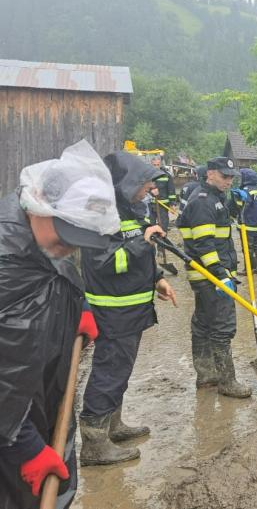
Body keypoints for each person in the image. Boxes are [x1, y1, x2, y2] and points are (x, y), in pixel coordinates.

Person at [0, 140, 120, 508]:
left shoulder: (40, 241)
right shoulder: (6, 264)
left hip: (44, 403)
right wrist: (27, 448)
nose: (70, 247)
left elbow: (59, 275)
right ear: (38, 204)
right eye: (67, 235)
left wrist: (76, 308)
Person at [78, 151, 178, 467]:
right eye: (145, 183)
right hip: (114, 311)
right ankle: (94, 443)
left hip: (132, 308)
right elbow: (105, 262)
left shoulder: (130, 209)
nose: (151, 189)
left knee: (121, 370)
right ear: (126, 182)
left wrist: (157, 278)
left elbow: (137, 253)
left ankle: (113, 426)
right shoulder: (98, 213)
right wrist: (142, 244)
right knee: (109, 373)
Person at [177, 157, 251, 398]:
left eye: (231, 177)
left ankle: (207, 376)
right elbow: (204, 244)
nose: (229, 181)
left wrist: (235, 207)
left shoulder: (213, 199)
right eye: (224, 176)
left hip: (205, 275)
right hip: (210, 275)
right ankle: (227, 382)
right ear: (210, 174)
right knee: (222, 327)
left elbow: (218, 229)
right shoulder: (203, 202)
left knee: (203, 324)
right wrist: (221, 275)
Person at [237, 168, 257, 274]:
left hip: (247, 224)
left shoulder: (245, 190)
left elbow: (243, 207)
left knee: (247, 248)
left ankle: (248, 269)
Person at [150, 156, 177, 231]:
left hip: (163, 205)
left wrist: (173, 204)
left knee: (163, 224)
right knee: (150, 224)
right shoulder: (147, 175)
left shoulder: (166, 175)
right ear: (151, 164)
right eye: (154, 165)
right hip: (150, 206)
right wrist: (150, 191)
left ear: (160, 165)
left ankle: (163, 238)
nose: (156, 167)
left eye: (157, 165)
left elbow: (171, 191)